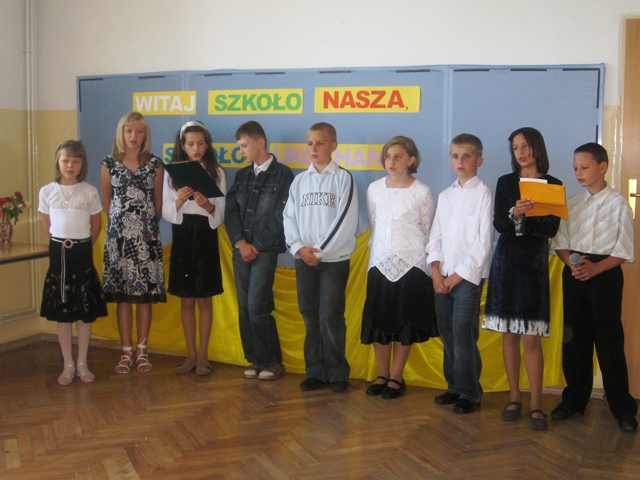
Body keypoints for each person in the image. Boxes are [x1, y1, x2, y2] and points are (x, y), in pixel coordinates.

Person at [550, 142, 638, 433]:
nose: (579, 173)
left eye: (584, 167)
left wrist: (596, 268)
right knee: (575, 340)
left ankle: (622, 407)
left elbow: (624, 250)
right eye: (576, 168)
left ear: (602, 167)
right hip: (575, 273)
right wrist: (573, 265)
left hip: (604, 274)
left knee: (609, 341)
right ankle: (574, 400)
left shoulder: (618, 205)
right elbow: (561, 243)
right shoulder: (572, 203)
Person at [482, 127, 562, 431]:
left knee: (531, 337)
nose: (521, 152)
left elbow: (550, 228)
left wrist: (525, 218)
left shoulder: (553, 184)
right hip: (506, 262)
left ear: (537, 148)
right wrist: (515, 213)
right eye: (516, 148)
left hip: (533, 264)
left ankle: (537, 403)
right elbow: (499, 224)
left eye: (525, 146)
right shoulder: (506, 182)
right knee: (510, 335)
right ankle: (514, 398)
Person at [283, 122, 358, 393]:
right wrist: (299, 248)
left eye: (320, 143)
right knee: (310, 316)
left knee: (330, 317)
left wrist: (320, 251)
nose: (314, 148)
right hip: (304, 259)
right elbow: (289, 217)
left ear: (333, 146)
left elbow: (345, 220)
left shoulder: (343, 178)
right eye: (310, 143)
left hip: (333, 261)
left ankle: (338, 373)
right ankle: (315, 371)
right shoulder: (299, 181)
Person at [361, 136, 437, 399]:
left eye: (398, 156)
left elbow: (427, 230)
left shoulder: (422, 192)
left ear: (411, 160)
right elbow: (375, 222)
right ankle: (382, 374)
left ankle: (396, 376)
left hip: (411, 264)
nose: (391, 161)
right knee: (379, 322)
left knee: (404, 322)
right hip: (380, 262)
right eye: (387, 156)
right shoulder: (374, 189)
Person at [426, 133, 494, 414]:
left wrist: (457, 276)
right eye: (455, 156)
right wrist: (436, 271)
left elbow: (483, 243)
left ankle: (470, 392)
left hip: (468, 278)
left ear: (479, 159)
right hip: (442, 275)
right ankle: (453, 386)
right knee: (447, 332)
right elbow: (435, 236)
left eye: (467, 156)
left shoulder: (484, 194)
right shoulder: (445, 195)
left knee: (463, 333)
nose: (460, 161)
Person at [225, 121, 294, 381]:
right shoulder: (242, 175)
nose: (241, 151)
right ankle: (255, 359)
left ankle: (272, 361)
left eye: (244, 145)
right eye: (239, 147)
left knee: (257, 305)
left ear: (260, 143)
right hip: (241, 249)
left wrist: (257, 246)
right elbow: (231, 211)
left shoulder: (283, 174)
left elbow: (282, 215)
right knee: (244, 306)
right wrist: (240, 243)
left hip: (265, 251)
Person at [101, 111, 166, 374]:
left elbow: (158, 204)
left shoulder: (155, 164)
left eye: (139, 131)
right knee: (124, 298)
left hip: (146, 241)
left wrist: (142, 227)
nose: (134, 136)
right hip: (118, 242)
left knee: (144, 297)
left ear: (145, 134)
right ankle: (126, 351)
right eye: (129, 130)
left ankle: (142, 350)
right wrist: (122, 225)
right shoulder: (109, 163)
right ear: (121, 133)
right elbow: (107, 202)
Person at [39, 140, 108, 385]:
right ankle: (68, 364)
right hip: (59, 255)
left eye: (75, 161)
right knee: (63, 313)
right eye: (65, 160)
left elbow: (96, 225)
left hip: (82, 254)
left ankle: (82, 363)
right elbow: (48, 227)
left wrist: (81, 247)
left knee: (84, 312)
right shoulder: (47, 191)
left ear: (82, 164)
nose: (70, 165)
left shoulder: (89, 191)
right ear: (58, 162)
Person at [162, 121, 226, 376]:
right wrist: (179, 201)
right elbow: (166, 212)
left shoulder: (216, 172)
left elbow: (221, 213)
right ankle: (190, 354)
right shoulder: (172, 174)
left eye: (200, 143)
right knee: (186, 299)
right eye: (191, 144)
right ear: (182, 146)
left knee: (204, 299)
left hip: (206, 235)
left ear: (207, 145)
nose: (196, 148)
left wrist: (207, 206)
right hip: (183, 235)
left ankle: (203, 356)